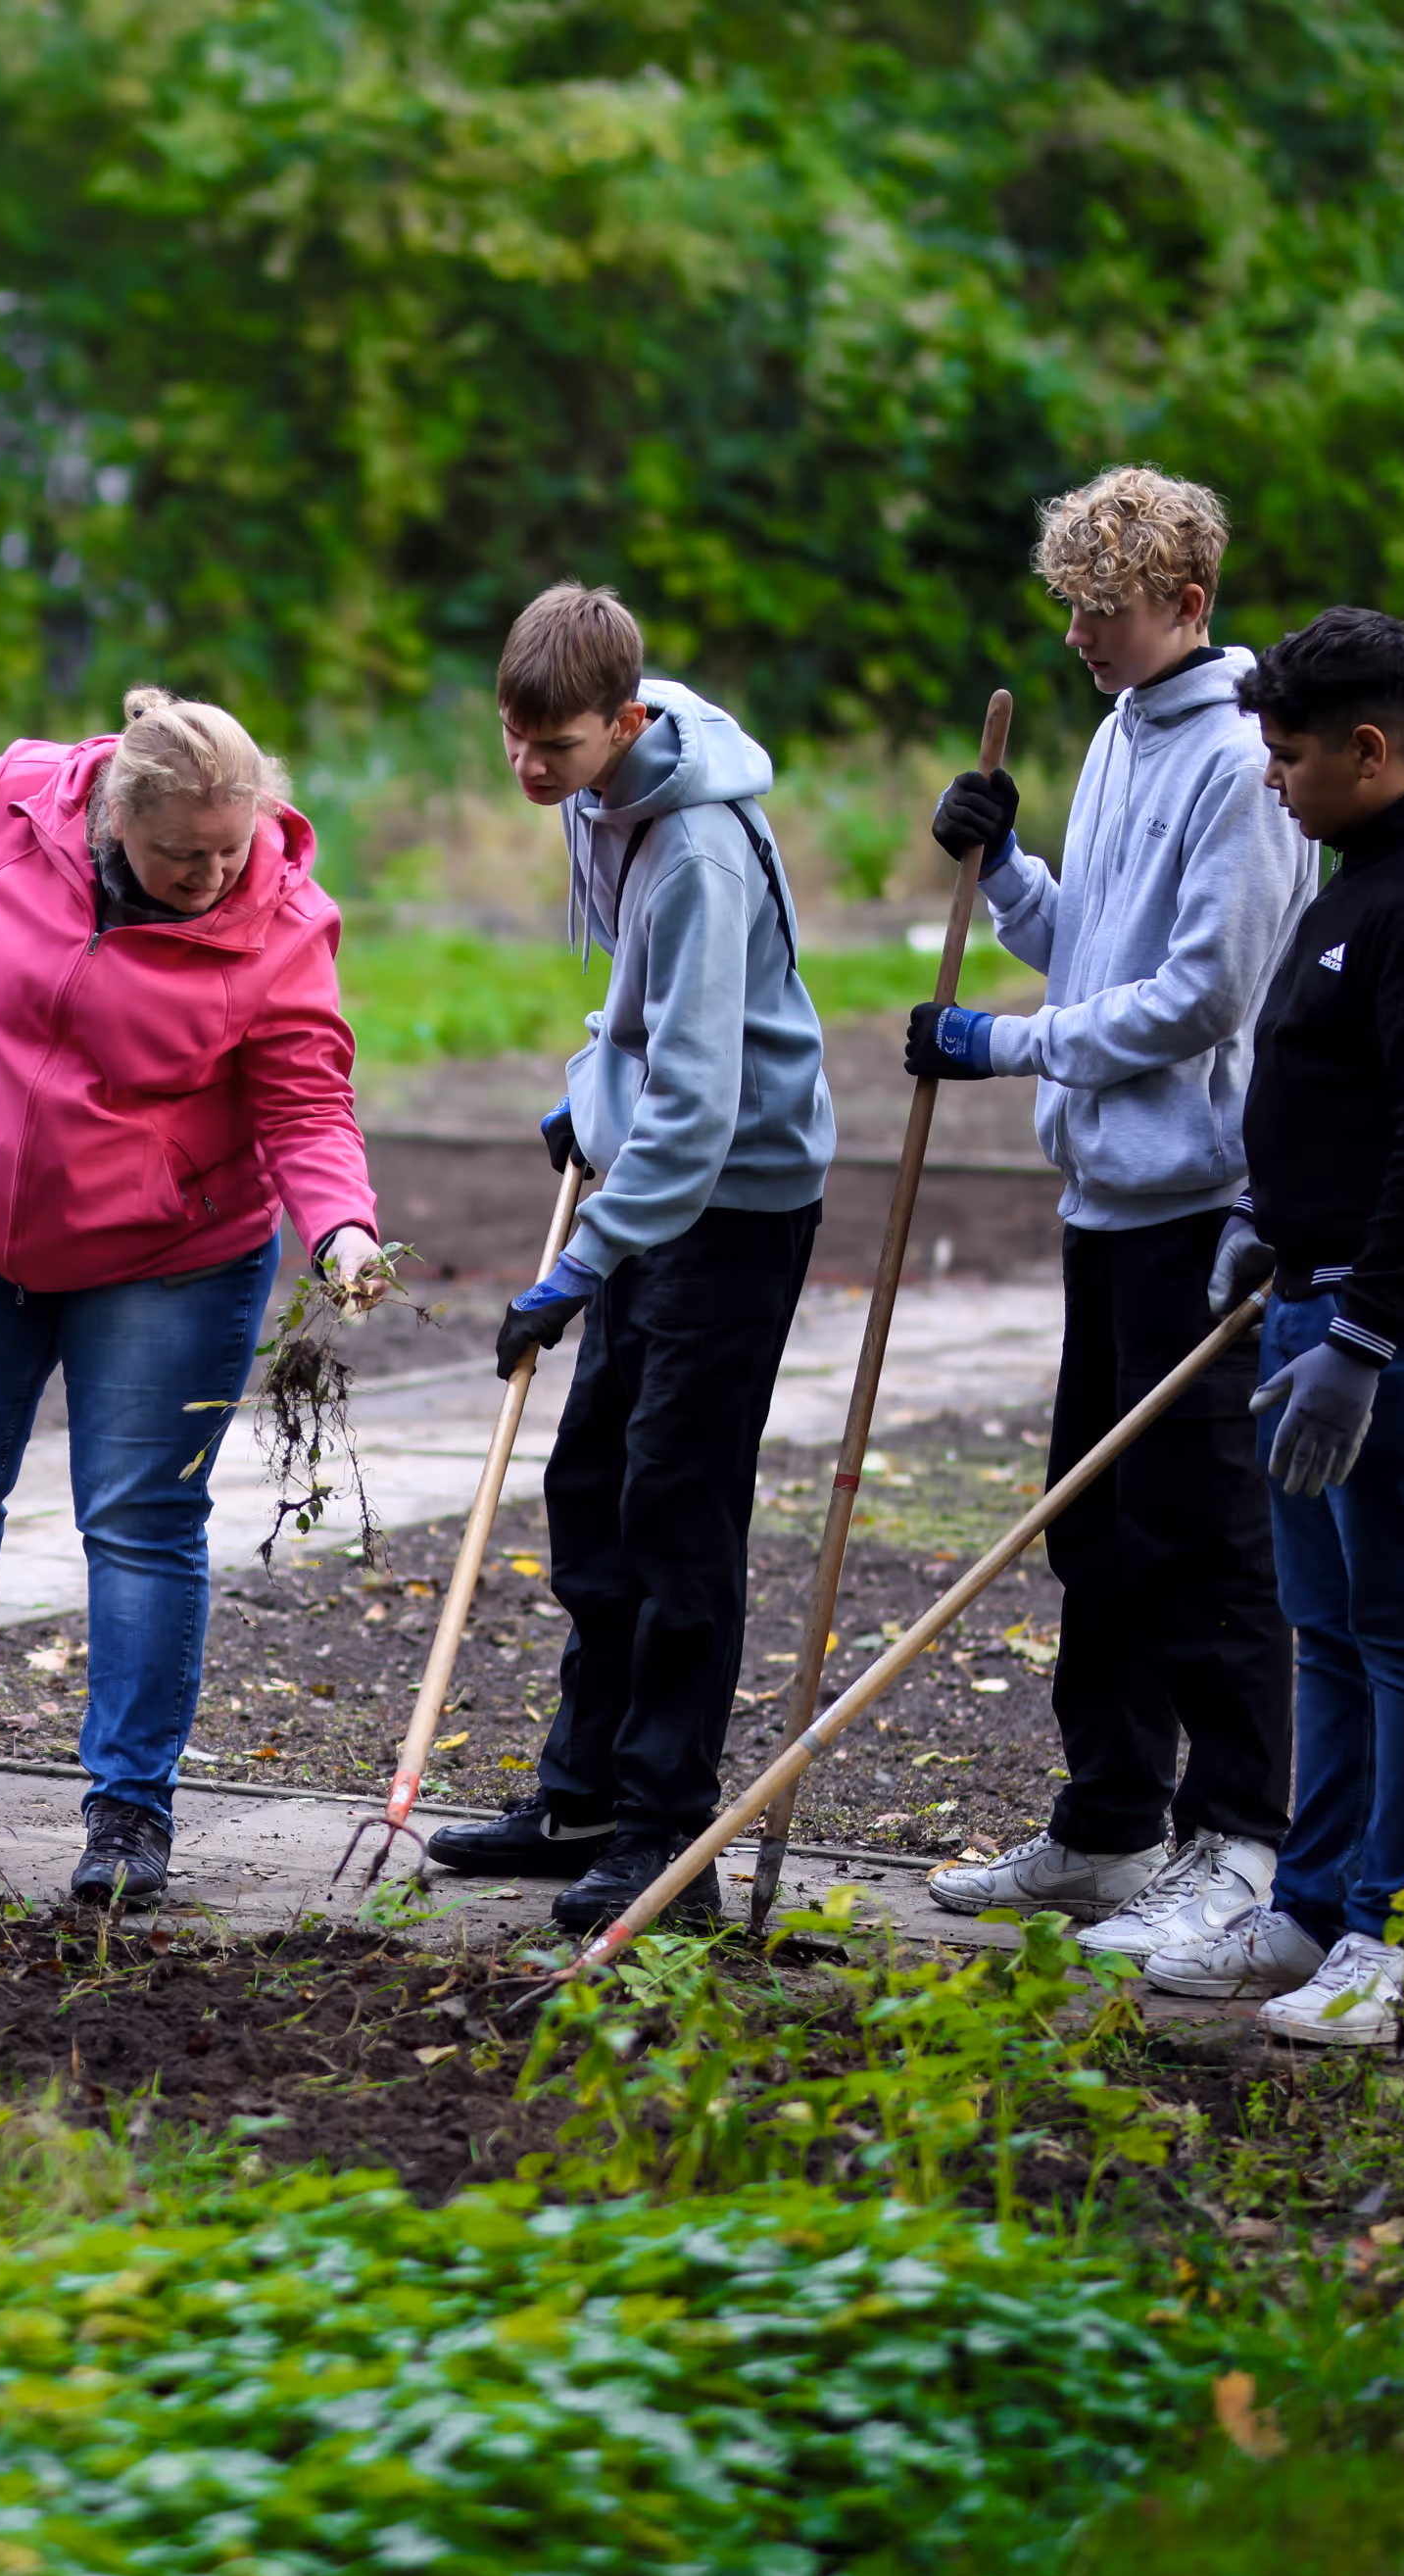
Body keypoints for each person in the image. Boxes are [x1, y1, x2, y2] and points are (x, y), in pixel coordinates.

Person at [0, 687, 388, 1904]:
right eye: (180, 852)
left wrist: (342, 1229)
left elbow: (305, 1102)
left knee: (138, 1527)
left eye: (229, 849)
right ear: (109, 816)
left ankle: (129, 1812)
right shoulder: (17, 800)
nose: (208, 874)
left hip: (167, 1255)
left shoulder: (282, 924)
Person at [902, 467, 1318, 1965]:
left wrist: (999, 1045)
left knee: (1203, 1533)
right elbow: (1098, 947)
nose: (1079, 633)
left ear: (1187, 606)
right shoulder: (1123, 732)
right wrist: (1008, 875)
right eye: (1069, 607)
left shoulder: (1243, 766)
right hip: (1106, 1192)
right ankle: (1109, 1827)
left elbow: (1206, 991)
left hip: (1203, 1198)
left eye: (1105, 608)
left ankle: (1243, 1843)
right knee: (1098, 1520)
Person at [1143, 608, 1404, 2046]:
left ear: (1371, 750)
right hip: (1322, 1300)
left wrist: (1364, 1338)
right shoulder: (1355, 874)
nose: (1273, 778)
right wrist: (1271, 1215)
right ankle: (1314, 1909)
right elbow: (1334, 1100)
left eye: (1293, 753)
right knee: (1329, 1623)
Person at [423, 583, 834, 1937]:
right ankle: (585, 1797)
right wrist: (590, 1090)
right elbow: (642, 1007)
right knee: (590, 1484)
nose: (534, 772)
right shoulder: (598, 802)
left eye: (560, 748)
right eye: (514, 741)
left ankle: (669, 1839)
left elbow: (705, 1104)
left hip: (733, 1198)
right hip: (656, 1175)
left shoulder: (702, 853)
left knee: (677, 1514)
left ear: (629, 721)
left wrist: (579, 1266)